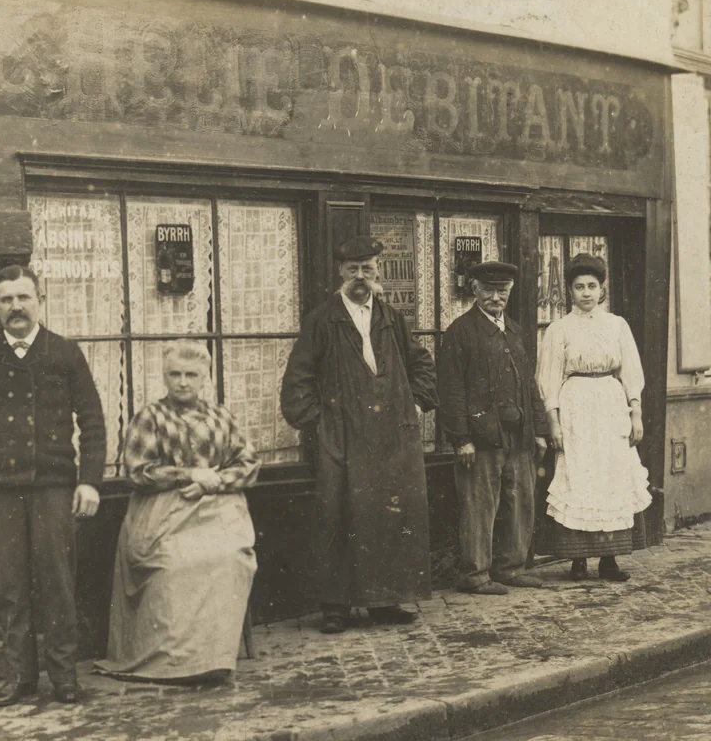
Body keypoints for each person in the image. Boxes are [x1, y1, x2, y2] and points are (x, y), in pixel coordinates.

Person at [0, 265, 106, 706]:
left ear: (40, 300)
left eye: (24, 297)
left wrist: (90, 481)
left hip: (53, 487)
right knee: (9, 585)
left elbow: (91, 421)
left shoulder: (65, 354)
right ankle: (20, 676)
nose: (16, 307)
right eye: (6, 299)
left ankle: (64, 676)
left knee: (58, 582)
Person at [280, 235, 439, 634]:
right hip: (343, 439)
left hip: (391, 439)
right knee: (338, 517)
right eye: (353, 270)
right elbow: (298, 381)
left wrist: (415, 405)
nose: (360, 277)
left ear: (377, 272)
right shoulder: (322, 320)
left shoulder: (391, 317)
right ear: (340, 273)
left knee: (387, 517)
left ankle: (384, 601)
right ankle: (336, 607)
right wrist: (320, 424)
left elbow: (422, 364)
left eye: (367, 269)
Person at [93, 342, 260, 684]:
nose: (183, 382)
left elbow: (249, 466)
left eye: (191, 375)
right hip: (163, 511)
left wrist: (212, 482)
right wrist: (188, 474)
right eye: (175, 374)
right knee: (174, 564)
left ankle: (215, 660)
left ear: (204, 378)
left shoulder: (221, 417)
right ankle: (176, 663)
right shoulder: (150, 417)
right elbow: (137, 471)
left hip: (217, 508)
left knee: (229, 558)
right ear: (165, 376)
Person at [535, 253, 651, 582]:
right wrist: (553, 421)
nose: (586, 293)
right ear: (569, 291)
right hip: (576, 409)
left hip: (612, 408)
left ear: (602, 289)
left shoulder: (617, 325)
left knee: (611, 477)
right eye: (578, 287)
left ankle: (609, 559)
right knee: (578, 476)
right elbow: (549, 378)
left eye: (592, 286)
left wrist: (636, 414)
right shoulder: (559, 329)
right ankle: (577, 558)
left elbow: (632, 372)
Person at [438, 261, 550, 595]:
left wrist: (539, 429)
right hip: (482, 438)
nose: (496, 297)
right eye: (488, 290)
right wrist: (461, 439)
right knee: (479, 505)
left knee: (519, 501)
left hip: (519, 435)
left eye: (502, 290)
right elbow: (451, 390)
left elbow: (530, 385)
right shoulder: (461, 331)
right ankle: (475, 575)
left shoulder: (514, 331)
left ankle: (511, 568)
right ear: (474, 290)